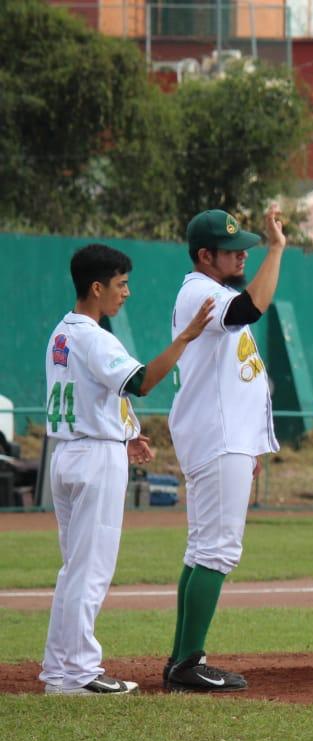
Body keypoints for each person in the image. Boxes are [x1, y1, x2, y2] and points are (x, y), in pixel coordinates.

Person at [41, 244, 214, 695]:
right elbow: (141, 381)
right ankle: (80, 673)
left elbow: (93, 392)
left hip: (67, 452)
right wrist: (185, 338)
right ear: (96, 287)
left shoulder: (62, 333)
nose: (127, 292)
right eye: (120, 284)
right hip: (93, 458)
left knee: (73, 569)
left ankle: (59, 670)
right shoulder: (94, 336)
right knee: (90, 570)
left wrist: (126, 431)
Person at [164, 206, 286, 692]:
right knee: (217, 550)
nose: (242, 255)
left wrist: (252, 444)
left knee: (202, 550)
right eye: (233, 250)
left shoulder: (210, 291)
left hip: (224, 437)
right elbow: (252, 308)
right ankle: (188, 661)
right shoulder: (202, 290)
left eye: (246, 248)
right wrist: (277, 250)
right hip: (217, 437)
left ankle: (180, 658)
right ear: (204, 255)